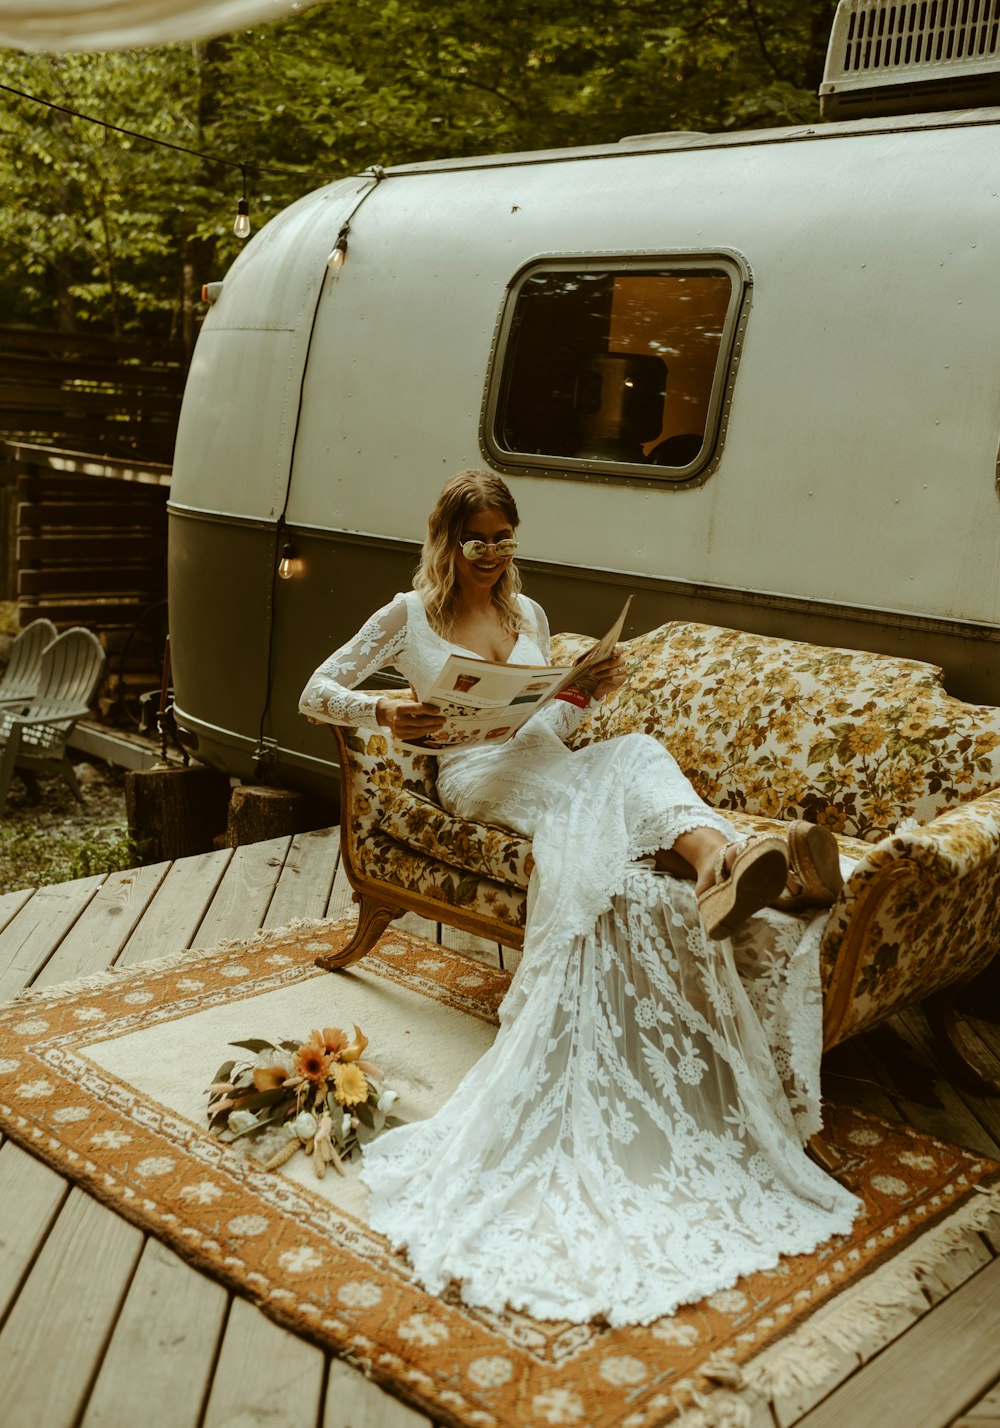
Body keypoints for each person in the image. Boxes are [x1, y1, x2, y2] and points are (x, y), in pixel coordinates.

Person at [299, 469, 859, 1326]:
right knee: (620, 781)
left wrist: (577, 693)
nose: (490, 554)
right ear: (446, 541)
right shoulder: (407, 615)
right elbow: (316, 691)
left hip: (544, 761)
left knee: (629, 757)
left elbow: (544, 729)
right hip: (479, 778)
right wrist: (386, 715)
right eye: (474, 539)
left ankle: (724, 869)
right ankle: (735, 861)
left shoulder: (531, 618)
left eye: (502, 537)